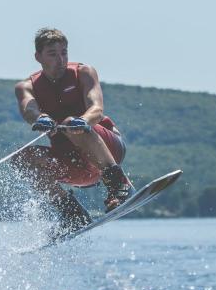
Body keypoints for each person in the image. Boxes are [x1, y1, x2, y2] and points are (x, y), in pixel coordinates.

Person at [13, 27, 132, 235]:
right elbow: (29, 109)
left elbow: (96, 107)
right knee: (21, 159)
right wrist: (39, 118)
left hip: (108, 150)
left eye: (64, 53)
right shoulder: (26, 87)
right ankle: (71, 213)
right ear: (38, 57)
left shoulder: (83, 72)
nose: (61, 60)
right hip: (76, 165)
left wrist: (82, 121)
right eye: (52, 54)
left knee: (70, 124)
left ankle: (119, 185)